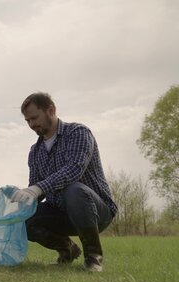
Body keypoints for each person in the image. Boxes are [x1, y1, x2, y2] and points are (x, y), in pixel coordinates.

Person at [12, 92, 117, 272]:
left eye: (34, 118)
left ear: (50, 110)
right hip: (61, 213)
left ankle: (93, 258)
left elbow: (74, 169)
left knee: (74, 190)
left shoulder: (78, 133)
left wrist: (38, 188)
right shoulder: (35, 152)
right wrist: (20, 202)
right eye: (27, 121)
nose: (31, 124)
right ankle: (67, 249)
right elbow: (36, 190)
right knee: (23, 219)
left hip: (95, 210)